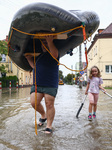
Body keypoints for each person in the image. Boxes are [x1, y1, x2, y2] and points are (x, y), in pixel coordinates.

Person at [25, 35, 59, 134]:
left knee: (49, 104)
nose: (44, 44)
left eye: (46, 42)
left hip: (50, 83)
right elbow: (35, 67)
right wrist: (29, 59)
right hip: (37, 84)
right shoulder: (39, 56)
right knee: (33, 102)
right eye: (43, 43)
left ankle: (49, 126)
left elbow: (55, 55)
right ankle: (43, 115)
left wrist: (49, 41)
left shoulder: (54, 53)